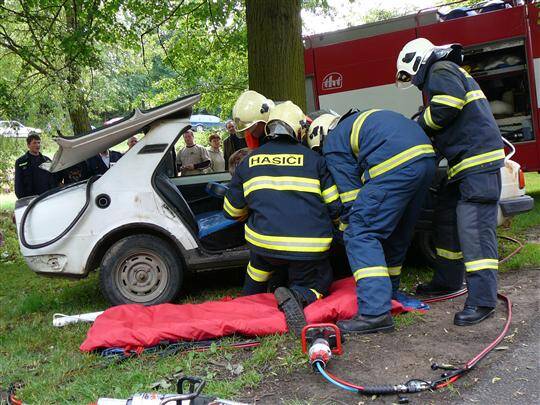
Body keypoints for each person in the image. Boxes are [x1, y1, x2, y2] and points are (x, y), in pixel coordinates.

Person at [396, 38, 505, 326]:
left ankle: (483, 301)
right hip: (464, 165)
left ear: (416, 61)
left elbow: (447, 106)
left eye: (409, 75)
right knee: (446, 218)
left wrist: (418, 125)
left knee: (474, 229)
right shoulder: (444, 72)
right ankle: (447, 280)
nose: (413, 83)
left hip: (477, 164)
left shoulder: (440, 69)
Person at [307, 110, 436, 334]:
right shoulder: (359, 122)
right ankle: (390, 293)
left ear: (319, 136)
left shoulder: (333, 143)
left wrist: (344, 230)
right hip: (425, 160)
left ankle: (374, 313)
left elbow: (351, 199)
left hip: (396, 165)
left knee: (361, 234)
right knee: (397, 232)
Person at [223, 101, 341, 336]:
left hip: (265, 246)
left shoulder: (249, 161)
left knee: (257, 265)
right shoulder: (315, 160)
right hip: (308, 249)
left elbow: (232, 211)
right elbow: (334, 206)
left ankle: (248, 299)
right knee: (321, 279)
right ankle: (298, 294)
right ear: (298, 129)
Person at [14, 134, 59, 198]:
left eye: (39, 143)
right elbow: (18, 183)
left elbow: (53, 179)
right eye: (34, 143)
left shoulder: (47, 160)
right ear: (28, 145)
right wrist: (22, 198)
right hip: (30, 198)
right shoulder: (21, 162)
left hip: (46, 196)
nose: (37, 145)